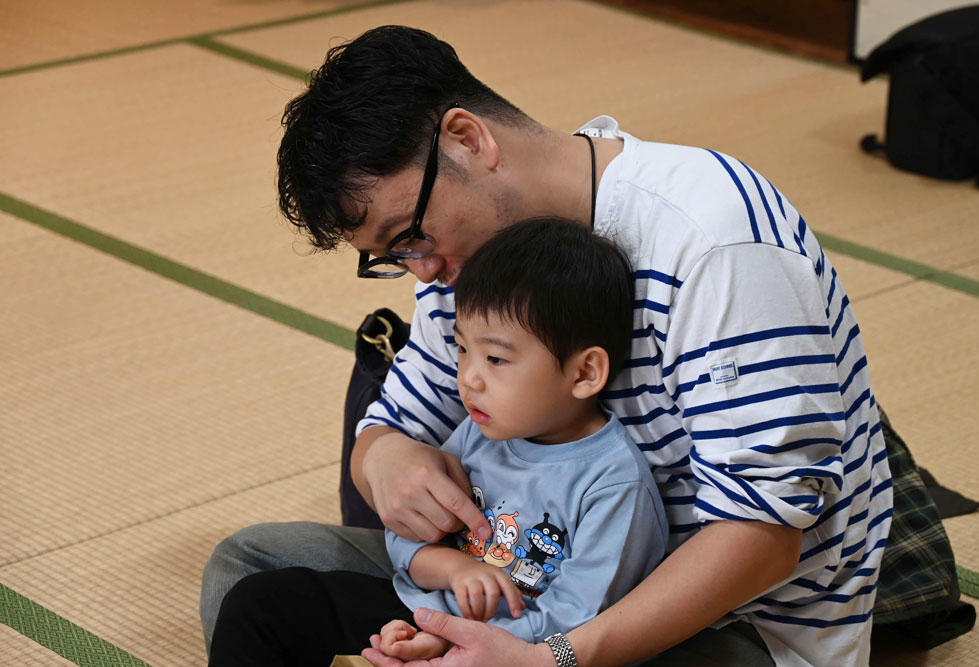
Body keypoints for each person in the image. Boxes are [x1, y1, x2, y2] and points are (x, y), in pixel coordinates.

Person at [201, 25, 893, 667]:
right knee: (252, 565)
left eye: (409, 236)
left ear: (468, 140)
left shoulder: (713, 241)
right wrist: (384, 458)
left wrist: (547, 657)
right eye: (392, 256)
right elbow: (392, 426)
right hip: (512, 584)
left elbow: (763, 538)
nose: (421, 271)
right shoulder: (468, 263)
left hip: (728, 623)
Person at [206, 218, 668, 665]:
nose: (469, 378)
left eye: (496, 359)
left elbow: (575, 622)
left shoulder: (614, 485)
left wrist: (449, 644)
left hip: (519, 655)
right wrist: (453, 572)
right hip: (423, 615)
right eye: (463, 349)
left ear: (584, 372)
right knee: (262, 604)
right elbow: (407, 535)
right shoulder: (480, 430)